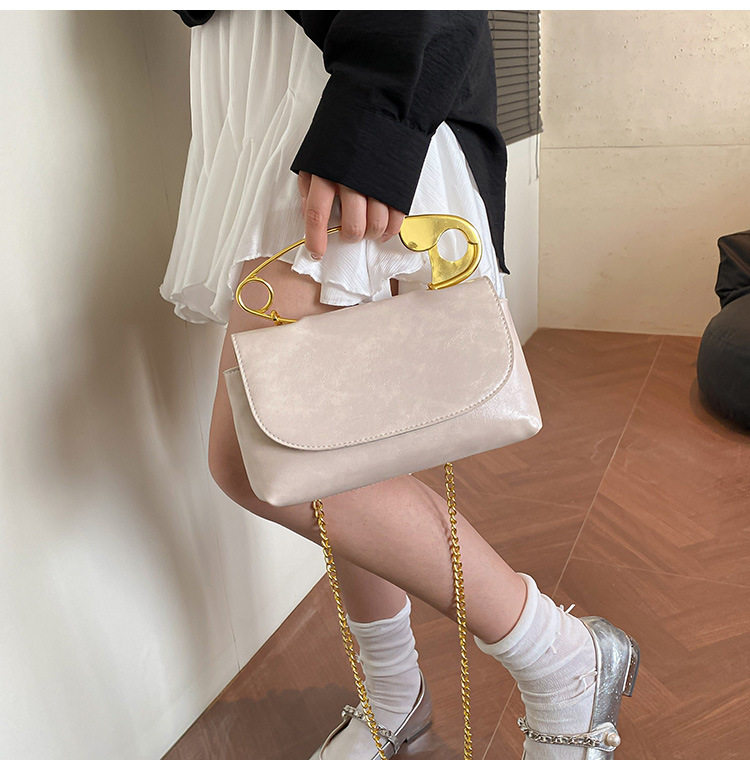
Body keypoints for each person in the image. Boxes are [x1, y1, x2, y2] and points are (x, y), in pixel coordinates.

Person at [162, 10, 639, 761]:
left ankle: (564, 657)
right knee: (335, 448)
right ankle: (394, 701)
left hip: (342, 81)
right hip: (266, 88)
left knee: (260, 463)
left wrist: (375, 115)